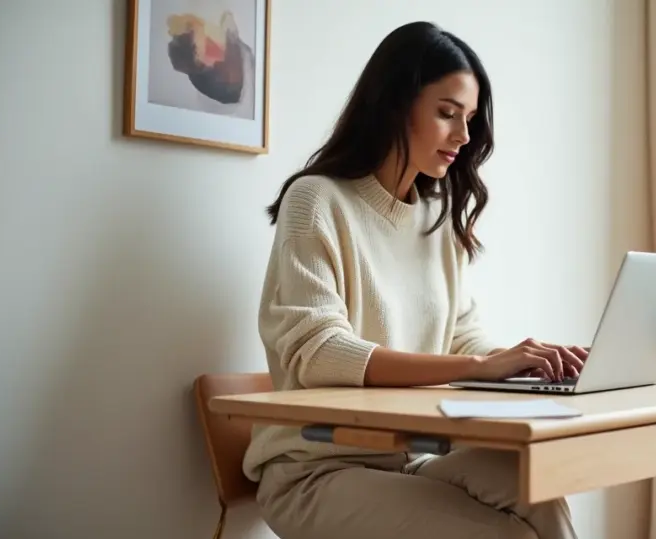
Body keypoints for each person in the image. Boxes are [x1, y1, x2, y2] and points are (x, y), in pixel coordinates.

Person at [243, 21, 585, 539]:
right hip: (314, 469)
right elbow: (321, 354)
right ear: (395, 105)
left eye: (469, 118)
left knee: (540, 496)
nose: (464, 136)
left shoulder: (436, 220)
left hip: (410, 455)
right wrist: (480, 365)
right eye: (447, 114)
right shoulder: (316, 202)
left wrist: (529, 365)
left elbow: (461, 336)